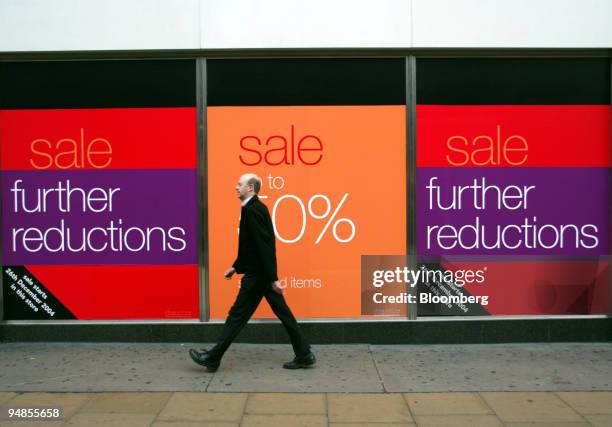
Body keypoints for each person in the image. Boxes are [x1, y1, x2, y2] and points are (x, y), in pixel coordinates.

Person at [189, 173, 315, 372]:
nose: (235, 187)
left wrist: (273, 278)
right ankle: (304, 354)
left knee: (237, 316)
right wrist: (237, 266)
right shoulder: (251, 208)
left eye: (239, 184)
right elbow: (251, 246)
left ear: (250, 188)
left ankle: (213, 357)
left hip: (258, 277)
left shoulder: (254, 210)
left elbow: (265, 246)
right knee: (282, 313)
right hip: (260, 274)